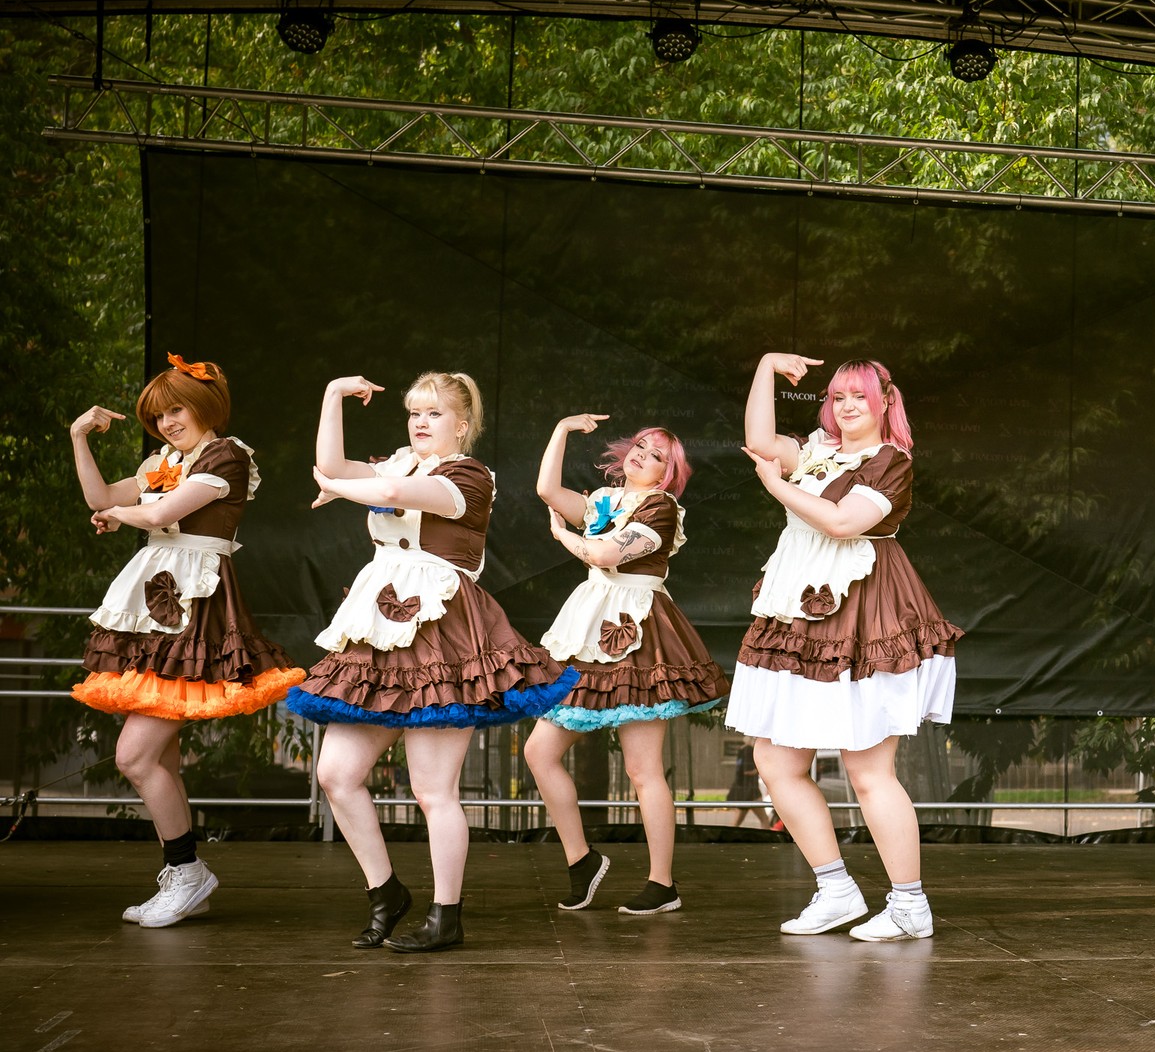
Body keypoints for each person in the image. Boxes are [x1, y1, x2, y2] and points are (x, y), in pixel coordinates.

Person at [286, 372, 577, 952]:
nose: (420, 422)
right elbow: (334, 465)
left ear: (462, 425)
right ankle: (385, 893)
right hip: (379, 628)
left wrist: (340, 489)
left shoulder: (469, 477)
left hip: (442, 631)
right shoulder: (400, 463)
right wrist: (333, 395)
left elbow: (392, 494)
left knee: (432, 789)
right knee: (336, 774)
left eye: (434, 413)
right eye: (414, 412)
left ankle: (447, 916)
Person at [725, 354, 963, 940]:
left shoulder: (890, 461)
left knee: (868, 769)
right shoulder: (817, 449)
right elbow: (759, 440)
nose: (847, 405)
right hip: (798, 610)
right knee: (776, 762)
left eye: (860, 395)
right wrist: (765, 367)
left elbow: (840, 522)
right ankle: (835, 889)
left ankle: (909, 906)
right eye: (837, 396)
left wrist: (777, 486)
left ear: (886, 401)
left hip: (865, 610)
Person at [68, 353, 305, 927]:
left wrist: (125, 515)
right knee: (159, 759)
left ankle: (188, 872)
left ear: (204, 406)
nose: (167, 423)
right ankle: (182, 873)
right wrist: (79, 438)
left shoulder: (227, 455)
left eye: (176, 410)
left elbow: (161, 514)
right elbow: (101, 499)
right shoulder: (165, 461)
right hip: (156, 604)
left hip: (196, 606)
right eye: (158, 416)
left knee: (135, 755)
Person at [522, 416, 728, 916]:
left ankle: (662, 883)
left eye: (657, 455)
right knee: (539, 752)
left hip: (636, 629)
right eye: (640, 446)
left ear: (667, 474)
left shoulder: (662, 509)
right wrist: (561, 429)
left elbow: (603, 553)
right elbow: (547, 490)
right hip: (588, 628)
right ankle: (581, 860)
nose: (642, 455)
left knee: (641, 768)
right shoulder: (604, 500)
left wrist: (562, 537)